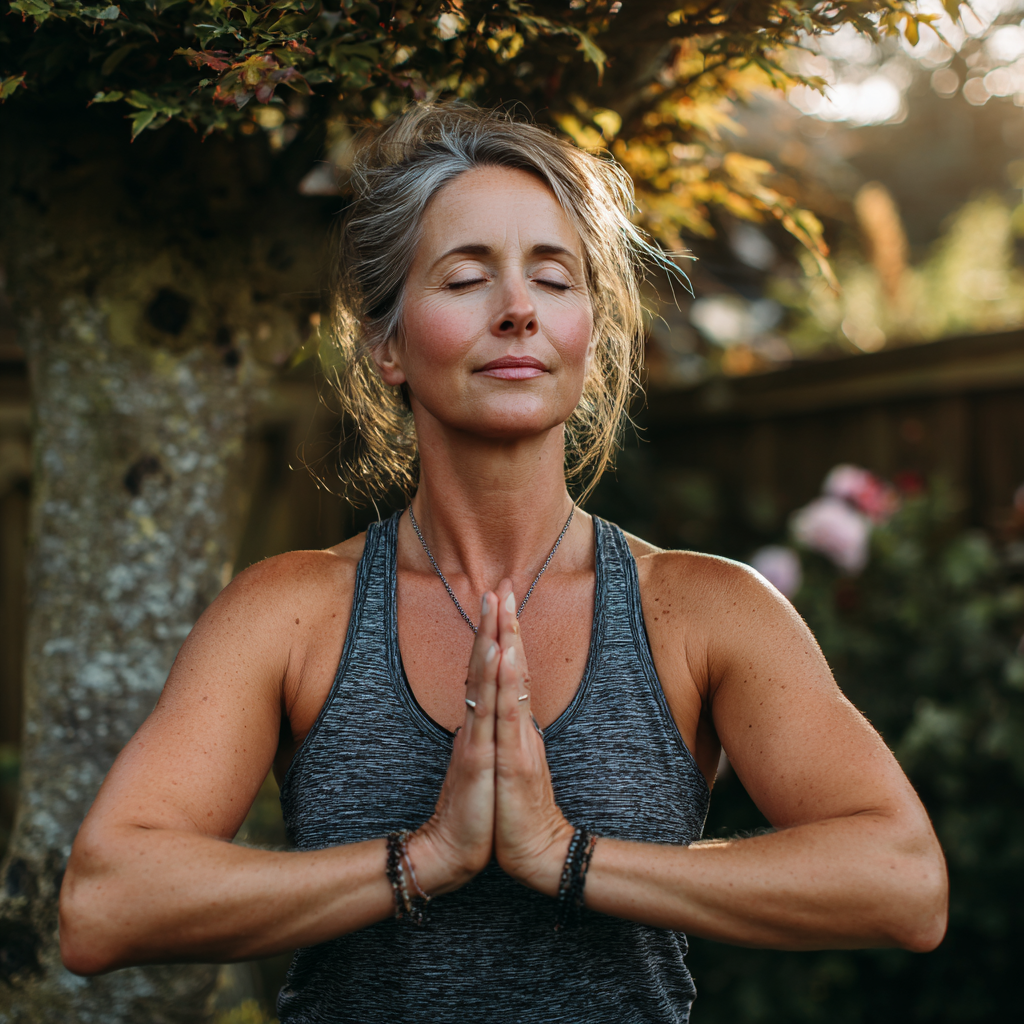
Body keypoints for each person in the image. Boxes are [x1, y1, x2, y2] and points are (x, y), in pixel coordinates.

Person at [59, 104, 947, 1022]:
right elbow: (105, 904)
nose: (518, 308)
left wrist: (566, 858)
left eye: (553, 278)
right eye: (466, 276)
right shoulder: (292, 612)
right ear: (387, 343)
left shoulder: (701, 611)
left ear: (590, 334)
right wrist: (425, 858)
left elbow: (902, 880)